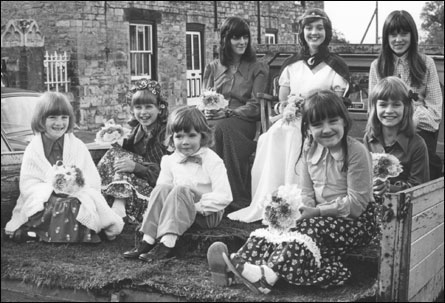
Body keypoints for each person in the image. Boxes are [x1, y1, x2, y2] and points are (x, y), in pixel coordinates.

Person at [208, 90, 376, 293]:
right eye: (317, 125)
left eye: (333, 121)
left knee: (308, 229)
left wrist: (316, 214)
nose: (326, 129)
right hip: (322, 216)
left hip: (355, 222)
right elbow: (306, 192)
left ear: (344, 122)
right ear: (308, 128)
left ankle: (266, 277)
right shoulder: (309, 149)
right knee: (281, 227)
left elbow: (356, 205)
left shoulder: (356, 151)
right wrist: (297, 214)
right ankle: (241, 263)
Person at [228, 8, 351, 223]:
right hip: (292, 119)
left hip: (321, 122)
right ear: (302, 32)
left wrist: (313, 109)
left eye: (319, 28)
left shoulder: (336, 66)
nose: (314, 33)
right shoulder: (292, 65)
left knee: (296, 138)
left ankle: (300, 203)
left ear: (327, 32)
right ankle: (275, 202)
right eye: (309, 28)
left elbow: (338, 103)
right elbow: (282, 100)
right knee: (271, 137)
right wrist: (287, 108)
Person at [5, 92, 124, 243]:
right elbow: (28, 184)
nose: (59, 123)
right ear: (41, 119)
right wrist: (51, 189)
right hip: (46, 200)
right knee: (59, 205)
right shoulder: (34, 148)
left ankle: (41, 235)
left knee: (74, 204)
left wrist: (74, 187)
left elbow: (92, 180)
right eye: (52, 117)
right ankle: (58, 234)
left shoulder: (77, 146)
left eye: (64, 118)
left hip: (74, 195)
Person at [123, 106, 232, 261]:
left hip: (205, 213)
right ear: (171, 138)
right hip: (176, 210)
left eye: (191, 136)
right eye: (179, 137)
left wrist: (192, 207)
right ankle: (148, 238)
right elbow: (161, 194)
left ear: (203, 136)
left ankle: (168, 243)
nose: (185, 142)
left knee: (180, 190)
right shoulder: (170, 160)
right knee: (162, 188)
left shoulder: (212, 160)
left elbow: (224, 197)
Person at [202, 16, 269, 211]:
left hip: (243, 120)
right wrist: (208, 109)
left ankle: (232, 195)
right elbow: (205, 97)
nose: (242, 42)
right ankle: (203, 192)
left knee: (222, 129)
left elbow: (256, 105)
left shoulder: (258, 67)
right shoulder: (213, 68)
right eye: (236, 38)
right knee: (192, 128)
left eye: (245, 37)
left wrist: (229, 112)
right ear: (225, 40)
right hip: (215, 119)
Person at [369, 10, 443, 180]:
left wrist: (409, 120)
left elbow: (435, 111)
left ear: (413, 35)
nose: (398, 39)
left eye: (404, 33)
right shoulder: (377, 65)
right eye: (393, 34)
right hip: (386, 130)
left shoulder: (426, 63)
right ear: (386, 37)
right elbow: (373, 107)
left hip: (419, 131)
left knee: (427, 165)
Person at [97, 79, 170, 224]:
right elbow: (126, 152)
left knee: (120, 156)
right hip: (137, 184)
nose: (143, 113)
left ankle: (118, 206)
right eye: (138, 107)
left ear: (159, 108)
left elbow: (168, 175)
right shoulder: (138, 130)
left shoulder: (166, 133)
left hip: (158, 191)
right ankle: (108, 200)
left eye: (148, 107)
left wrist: (137, 167)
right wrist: (114, 137)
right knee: (114, 153)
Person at [365, 76, 429, 197]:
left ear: (406, 108)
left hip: (404, 209)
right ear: (374, 108)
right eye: (383, 105)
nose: (389, 110)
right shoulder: (369, 139)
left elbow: (419, 188)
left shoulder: (417, 144)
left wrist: (390, 188)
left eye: (396, 105)